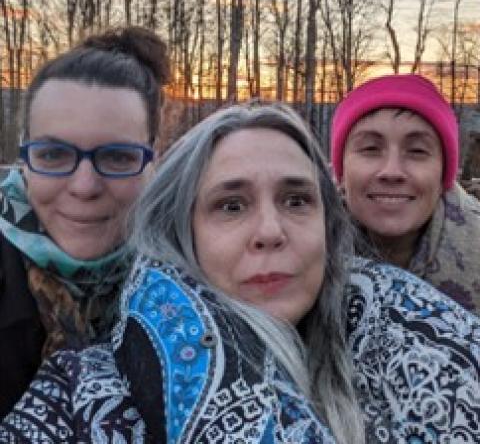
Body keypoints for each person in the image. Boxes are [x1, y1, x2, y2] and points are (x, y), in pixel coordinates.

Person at [2, 102, 480, 443]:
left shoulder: (427, 336)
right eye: (231, 205)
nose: (270, 232)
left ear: (329, 229)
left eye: (297, 200)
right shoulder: (82, 394)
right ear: (179, 233)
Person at [0, 26, 170, 419]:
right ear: (25, 156)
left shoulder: (191, 289)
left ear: (152, 160)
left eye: (118, 157)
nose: (84, 187)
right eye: (54, 154)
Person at [331, 73, 480, 314]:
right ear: (341, 172)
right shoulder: (299, 252)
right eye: (370, 148)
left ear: (443, 175)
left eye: (417, 151)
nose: (392, 171)